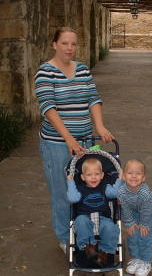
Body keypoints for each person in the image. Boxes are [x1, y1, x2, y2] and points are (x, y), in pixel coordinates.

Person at [35, 27, 114, 253]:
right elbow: (48, 108)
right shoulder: (45, 72)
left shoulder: (82, 69)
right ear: (55, 45)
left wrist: (99, 125)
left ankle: (86, 232)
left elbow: (93, 99)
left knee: (87, 188)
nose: (70, 48)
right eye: (65, 43)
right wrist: (68, 139)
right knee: (62, 192)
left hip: (86, 141)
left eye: (73, 44)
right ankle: (64, 237)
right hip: (57, 144)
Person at [67, 157, 123, 265]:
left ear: (102, 175)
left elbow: (115, 193)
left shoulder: (105, 187)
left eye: (96, 174)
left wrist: (119, 179)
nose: (93, 178)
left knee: (110, 227)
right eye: (89, 175)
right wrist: (70, 181)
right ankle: (88, 248)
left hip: (103, 217)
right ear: (82, 177)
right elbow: (72, 198)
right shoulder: (80, 189)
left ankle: (104, 252)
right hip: (85, 216)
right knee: (81, 221)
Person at [118, 159, 152, 276]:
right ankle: (136, 259)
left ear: (143, 178)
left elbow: (146, 211)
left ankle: (146, 262)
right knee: (132, 234)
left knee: (144, 235)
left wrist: (144, 224)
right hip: (134, 210)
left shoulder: (144, 193)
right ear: (123, 175)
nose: (134, 176)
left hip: (150, 212)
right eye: (130, 173)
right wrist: (129, 223)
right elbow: (124, 208)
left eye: (138, 174)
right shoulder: (121, 192)